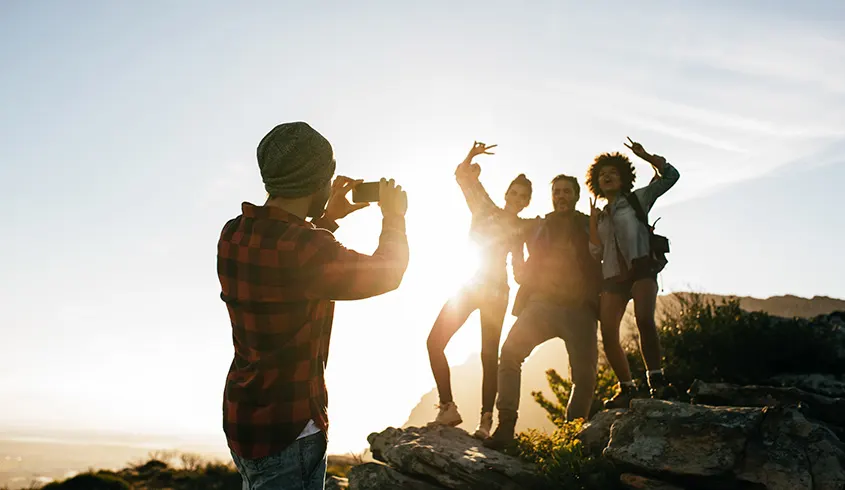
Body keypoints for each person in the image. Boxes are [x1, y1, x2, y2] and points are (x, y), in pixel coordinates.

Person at [217, 121, 410, 490]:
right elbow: (388, 273)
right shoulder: (309, 248)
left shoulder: (233, 233)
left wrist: (327, 218)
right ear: (317, 180)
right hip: (290, 430)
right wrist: (394, 216)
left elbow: (288, 262)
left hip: (244, 419)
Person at [484, 174, 604, 450]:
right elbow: (508, 227)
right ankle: (505, 428)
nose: (560, 196)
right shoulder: (536, 225)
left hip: (580, 310)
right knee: (511, 354)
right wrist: (517, 266)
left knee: (585, 378)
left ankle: (570, 438)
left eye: (566, 192)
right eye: (556, 192)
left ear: (575, 196)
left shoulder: (590, 224)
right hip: (542, 305)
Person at [426, 141, 536, 440]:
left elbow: (519, 266)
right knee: (435, 341)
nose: (516, 198)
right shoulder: (484, 206)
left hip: (497, 292)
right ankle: (448, 406)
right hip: (471, 283)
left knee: (489, 356)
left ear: (526, 202)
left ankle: (485, 422)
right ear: (506, 194)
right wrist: (471, 156)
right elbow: (463, 177)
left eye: (523, 196)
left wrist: (531, 277)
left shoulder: (523, 227)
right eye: (513, 192)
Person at [586, 137, 680, 409]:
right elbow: (595, 253)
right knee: (608, 331)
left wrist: (648, 156)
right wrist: (592, 223)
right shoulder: (601, 215)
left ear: (623, 177)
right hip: (614, 277)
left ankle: (657, 381)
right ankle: (627, 388)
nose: (607, 177)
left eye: (613, 173)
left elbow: (671, 176)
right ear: (596, 182)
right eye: (602, 174)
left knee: (643, 319)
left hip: (641, 268)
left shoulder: (638, 198)